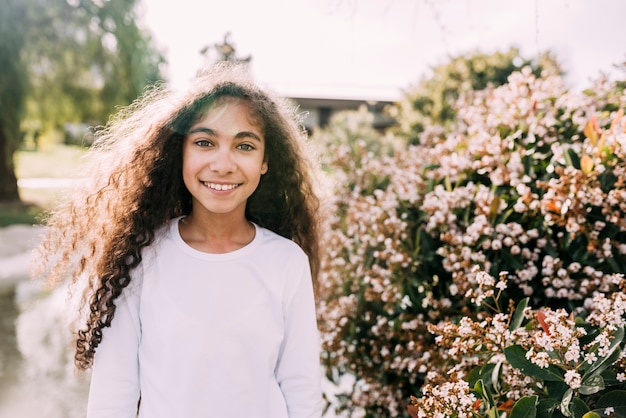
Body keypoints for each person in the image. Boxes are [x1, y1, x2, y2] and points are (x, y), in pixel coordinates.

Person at [31, 63, 325, 418]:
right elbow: (113, 394)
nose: (223, 163)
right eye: (204, 142)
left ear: (266, 161)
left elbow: (301, 389)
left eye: (244, 145)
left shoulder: (287, 262)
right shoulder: (139, 258)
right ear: (179, 152)